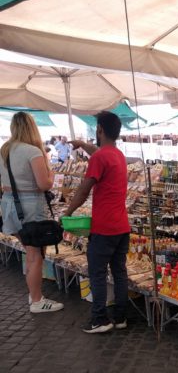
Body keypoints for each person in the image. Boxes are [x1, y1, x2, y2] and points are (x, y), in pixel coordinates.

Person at [64, 111, 130, 334]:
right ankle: (120, 317)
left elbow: (83, 191)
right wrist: (83, 144)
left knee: (98, 273)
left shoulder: (101, 158)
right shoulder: (118, 155)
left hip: (104, 228)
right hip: (122, 226)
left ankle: (100, 319)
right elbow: (99, 154)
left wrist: (68, 212)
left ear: (100, 130)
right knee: (120, 272)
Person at [0, 112, 64, 313]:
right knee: (34, 254)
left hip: (9, 204)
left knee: (29, 251)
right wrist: (51, 173)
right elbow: (44, 184)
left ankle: (33, 294)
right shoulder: (32, 151)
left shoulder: (4, 150)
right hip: (29, 207)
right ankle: (37, 300)